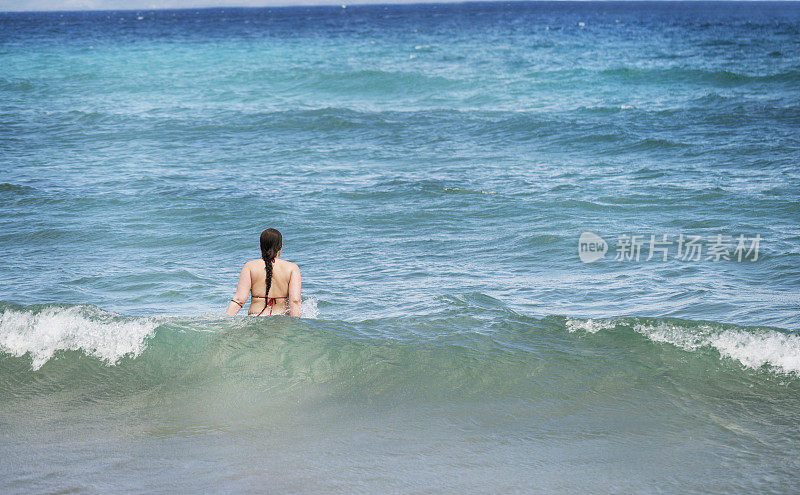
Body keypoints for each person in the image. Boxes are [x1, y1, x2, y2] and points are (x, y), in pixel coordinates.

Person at [226, 228, 301, 317]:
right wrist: (296, 326)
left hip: (256, 318)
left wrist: (224, 321)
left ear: (261, 246)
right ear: (281, 246)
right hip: (281, 321)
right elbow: (295, 301)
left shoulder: (249, 266)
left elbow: (239, 300)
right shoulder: (292, 268)